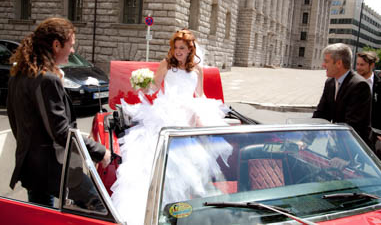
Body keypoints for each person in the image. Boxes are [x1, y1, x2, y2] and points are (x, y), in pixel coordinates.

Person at [111, 29, 232, 225]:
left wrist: (204, 110)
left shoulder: (198, 69)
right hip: (166, 112)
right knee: (163, 158)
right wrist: (142, 85)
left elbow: (199, 95)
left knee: (193, 161)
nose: (178, 51)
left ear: (190, 49)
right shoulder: (167, 64)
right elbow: (155, 87)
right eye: (175, 48)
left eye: (182, 48)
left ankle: (187, 208)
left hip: (187, 113)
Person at [7, 17, 111, 207]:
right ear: (56, 45)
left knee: (41, 217)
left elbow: (15, 121)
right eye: (70, 46)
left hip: (31, 167)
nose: (72, 51)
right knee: (100, 207)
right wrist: (100, 151)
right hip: (53, 168)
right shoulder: (47, 79)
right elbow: (62, 132)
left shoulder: (19, 74)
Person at [312, 43, 372, 147]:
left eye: (326, 61)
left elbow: (354, 125)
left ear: (339, 63)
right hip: (335, 144)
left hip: (352, 148)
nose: (323, 65)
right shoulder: (330, 82)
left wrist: (344, 156)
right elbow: (321, 114)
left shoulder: (359, 85)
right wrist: (304, 140)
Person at [356, 51, 381, 160]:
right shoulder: (352, 82)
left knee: (369, 163)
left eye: (362, 65)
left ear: (371, 65)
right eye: (357, 64)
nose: (358, 67)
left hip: (372, 134)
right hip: (353, 131)